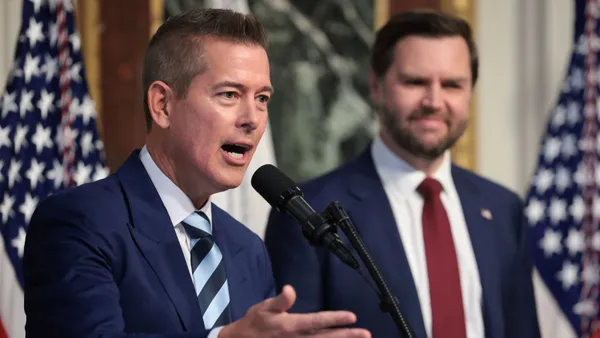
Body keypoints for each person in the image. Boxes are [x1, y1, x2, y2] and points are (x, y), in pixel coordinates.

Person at [22, 8, 371, 338]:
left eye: (262, 98)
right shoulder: (80, 221)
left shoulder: (247, 249)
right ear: (163, 105)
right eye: (230, 94)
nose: (252, 118)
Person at [264, 9, 541, 338]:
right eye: (415, 82)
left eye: (452, 85)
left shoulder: (503, 209)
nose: (434, 101)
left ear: (471, 93)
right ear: (376, 86)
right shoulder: (308, 213)